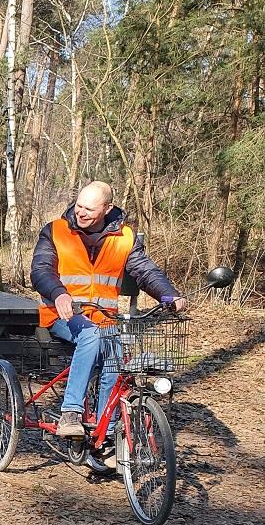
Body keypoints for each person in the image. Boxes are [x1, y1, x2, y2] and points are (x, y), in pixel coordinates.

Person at [31, 180, 185, 438]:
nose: (80, 212)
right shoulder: (55, 231)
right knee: (91, 336)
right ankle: (71, 411)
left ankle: (107, 434)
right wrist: (59, 294)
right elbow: (41, 269)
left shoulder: (125, 237)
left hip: (105, 320)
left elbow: (145, 271)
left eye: (89, 209)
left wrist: (168, 294)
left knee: (115, 360)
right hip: (62, 315)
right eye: (79, 206)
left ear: (106, 208)